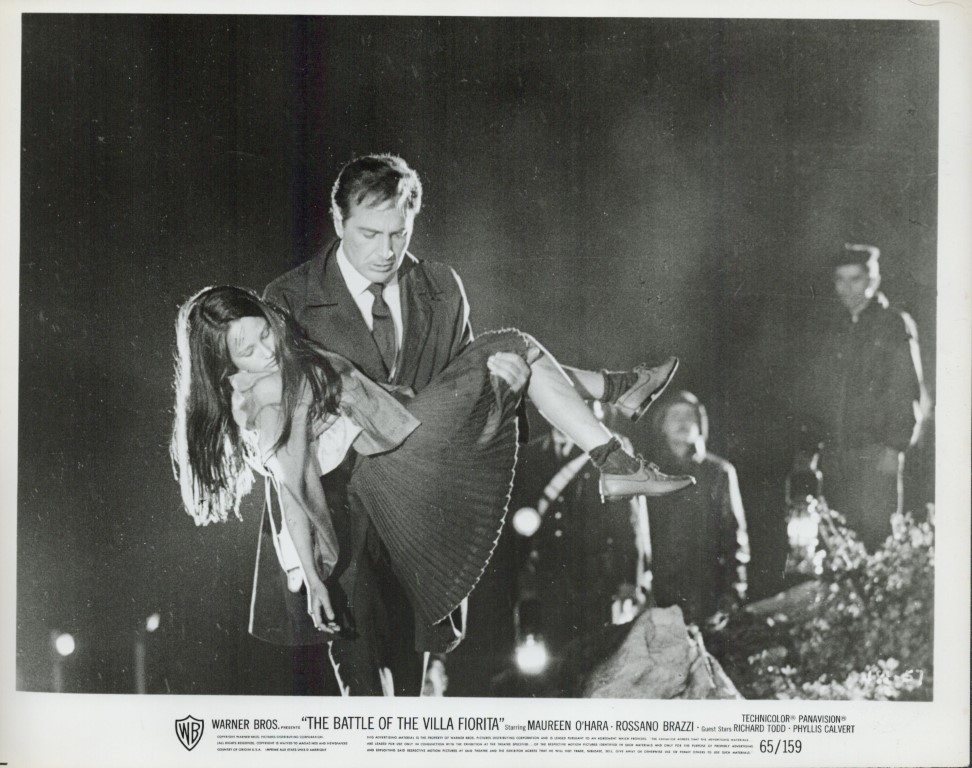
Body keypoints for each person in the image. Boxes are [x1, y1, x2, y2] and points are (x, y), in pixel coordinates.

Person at [255, 152, 683, 695]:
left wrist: (504, 391)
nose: (386, 252)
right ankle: (613, 417)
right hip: (347, 514)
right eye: (369, 234)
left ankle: (614, 427)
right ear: (338, 221)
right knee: (362, 689)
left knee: (410, 688)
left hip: (425, 508)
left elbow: (464, 395)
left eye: (400, 233)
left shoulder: (440, 284)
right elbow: (281, 437)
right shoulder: (288, 299)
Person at [170, 286, 693, 696]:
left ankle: (616, 425)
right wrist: (312, 578)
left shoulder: (281, 366)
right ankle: (616, 408)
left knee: (510, 350)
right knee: (507, 347)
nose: (266, 350)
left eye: (263, 333)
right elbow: (295, 492)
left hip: (396, 451)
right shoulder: (264, 397)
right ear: (223, 363)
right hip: (391, 468)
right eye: (247, 349)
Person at [804, 243, 924, 551]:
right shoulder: (834, 328)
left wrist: (894, 447)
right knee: (837, 542)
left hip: (875, 454)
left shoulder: (892, 324)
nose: (847, 288)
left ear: (873, 280)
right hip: (835, 455)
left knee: (876, 542)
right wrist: (812, 446)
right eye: (840, 280)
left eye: (855, 279)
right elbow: (819, 392)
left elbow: (906, 389)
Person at [639, 391, 750, 627]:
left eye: (689, 416)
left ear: (700, 425)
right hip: (659, 596)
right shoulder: (646, 475)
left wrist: (733, 591)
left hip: (706, 596)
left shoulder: (718, 473)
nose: (683, 421)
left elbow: (734, 536)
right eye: (675, 415)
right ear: (662, 425)